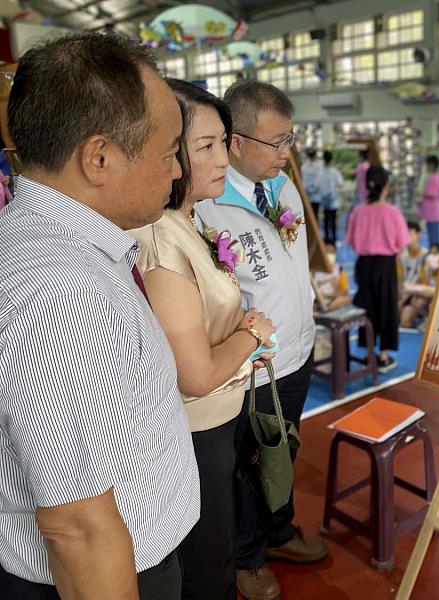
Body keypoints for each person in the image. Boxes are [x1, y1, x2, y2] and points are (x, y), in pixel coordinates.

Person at [0, 33, 200, 599]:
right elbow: (78, 531)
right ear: (100, 157)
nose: (176, 173)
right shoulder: (60, 294)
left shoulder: (68, 249)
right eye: (168, 154)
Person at [129, 80, 278, 600]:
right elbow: (192, 374)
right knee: (206, 564)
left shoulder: (191, 221)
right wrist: (250, 334)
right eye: (205, 147)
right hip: (194, 433)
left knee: (218, 545)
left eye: (224, 142)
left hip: (220, 419)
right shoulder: (161, 239)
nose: (222, 158)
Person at [193, 80, 327, 600]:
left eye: (290, 138)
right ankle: (247, 557)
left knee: (283, 450)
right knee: (249, 464)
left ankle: (279, 531)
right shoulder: (207, 206)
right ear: (235, 142)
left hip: (297, 351)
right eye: (276, 142)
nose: (286, 152)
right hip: (251, 363)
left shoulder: (283, 185)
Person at [346, 165, 410, 373]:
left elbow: (352, 242)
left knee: (367, 308)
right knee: (387, 308)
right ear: (386, 187)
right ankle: (383, 356)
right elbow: (402, 244)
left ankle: (368, 353)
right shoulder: (393, 212)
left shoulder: (358, 211)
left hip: (364, 265)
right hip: (386, 265)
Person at [400, 243, 439, 328]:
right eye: (431, 254)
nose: (432, 258)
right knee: (405, 318)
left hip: (436, 302)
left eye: (436, 254)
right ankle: (421, 318)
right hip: (421, 300)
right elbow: (412, 287)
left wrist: (422, 290)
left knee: (430, 305)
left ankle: (428, 320)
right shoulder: (424, 269)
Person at [313, 238, 351, 312]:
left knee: (346, 299)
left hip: (332, 300)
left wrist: (330, 295)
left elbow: (345, 291)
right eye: (326, 252)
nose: (329, 255)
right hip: (316, 301)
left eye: (332, 252)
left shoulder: (339, 270)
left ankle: (326, 309)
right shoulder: (314, 270)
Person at [319, 149, 344, 243]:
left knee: (325, 220)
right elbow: (341, 184)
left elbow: (318, 185)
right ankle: (333, 239)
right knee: (333, 221)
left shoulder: (321, 172)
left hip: (325, 200)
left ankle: (326, 239)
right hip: (334, 201)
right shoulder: (335, 172)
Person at [419, 155, 439, 246]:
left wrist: (422, 194)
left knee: (433, 236)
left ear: (432, 165)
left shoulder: (434, 178)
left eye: (428, 165)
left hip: (432, 211)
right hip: (433, 211)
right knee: (434, 234)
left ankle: (435, 254)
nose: (427, 167)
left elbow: (432, 194)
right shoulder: (437, 177)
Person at [300, 147, 323, 224]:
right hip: (313, 195)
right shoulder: (317, 165)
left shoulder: (305, 166)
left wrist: (307, 190)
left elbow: (305, 181)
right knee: (312, 218)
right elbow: (318, 182)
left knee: (310, 218)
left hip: (309, 195)